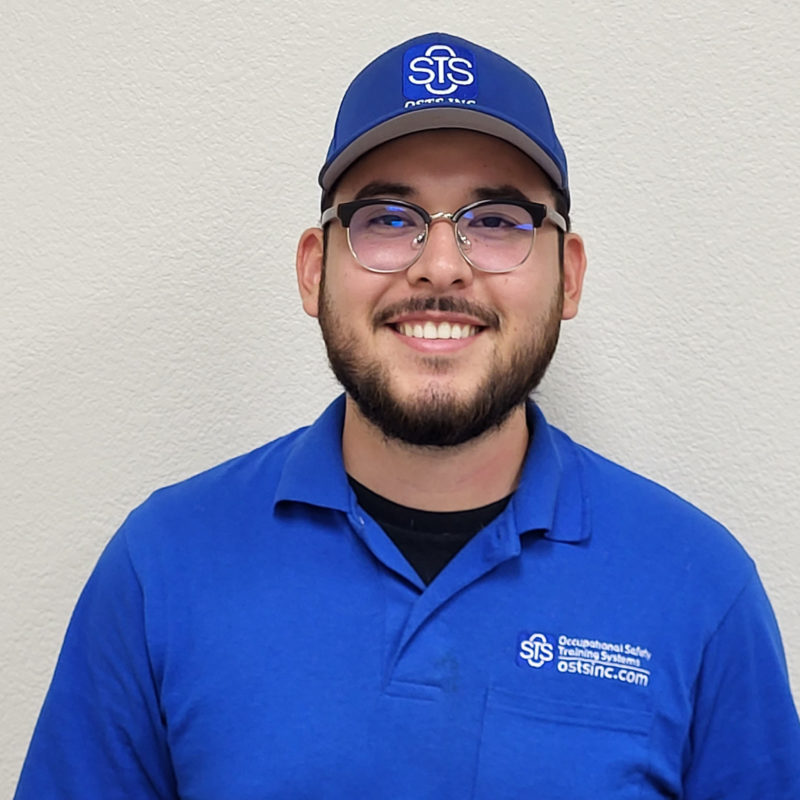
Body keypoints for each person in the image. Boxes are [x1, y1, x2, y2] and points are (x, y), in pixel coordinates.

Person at [14, 32, 800, 799]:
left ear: (568, 276)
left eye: (497, 221)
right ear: (314, 269)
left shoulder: (699, 586)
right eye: (388, 219)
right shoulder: (162, 566)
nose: (441, 266)